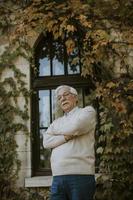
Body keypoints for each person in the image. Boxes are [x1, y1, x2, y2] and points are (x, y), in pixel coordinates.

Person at [43, 85, 96, 200]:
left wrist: (55, 131)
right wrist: (66, 137)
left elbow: (76, 127)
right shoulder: (57, 121)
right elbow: (46, 142)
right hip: (57, 177)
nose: (62, 98)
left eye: (66, 94)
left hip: (81, 176)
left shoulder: (87, 112)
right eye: (59, 97)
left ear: (76, 98)